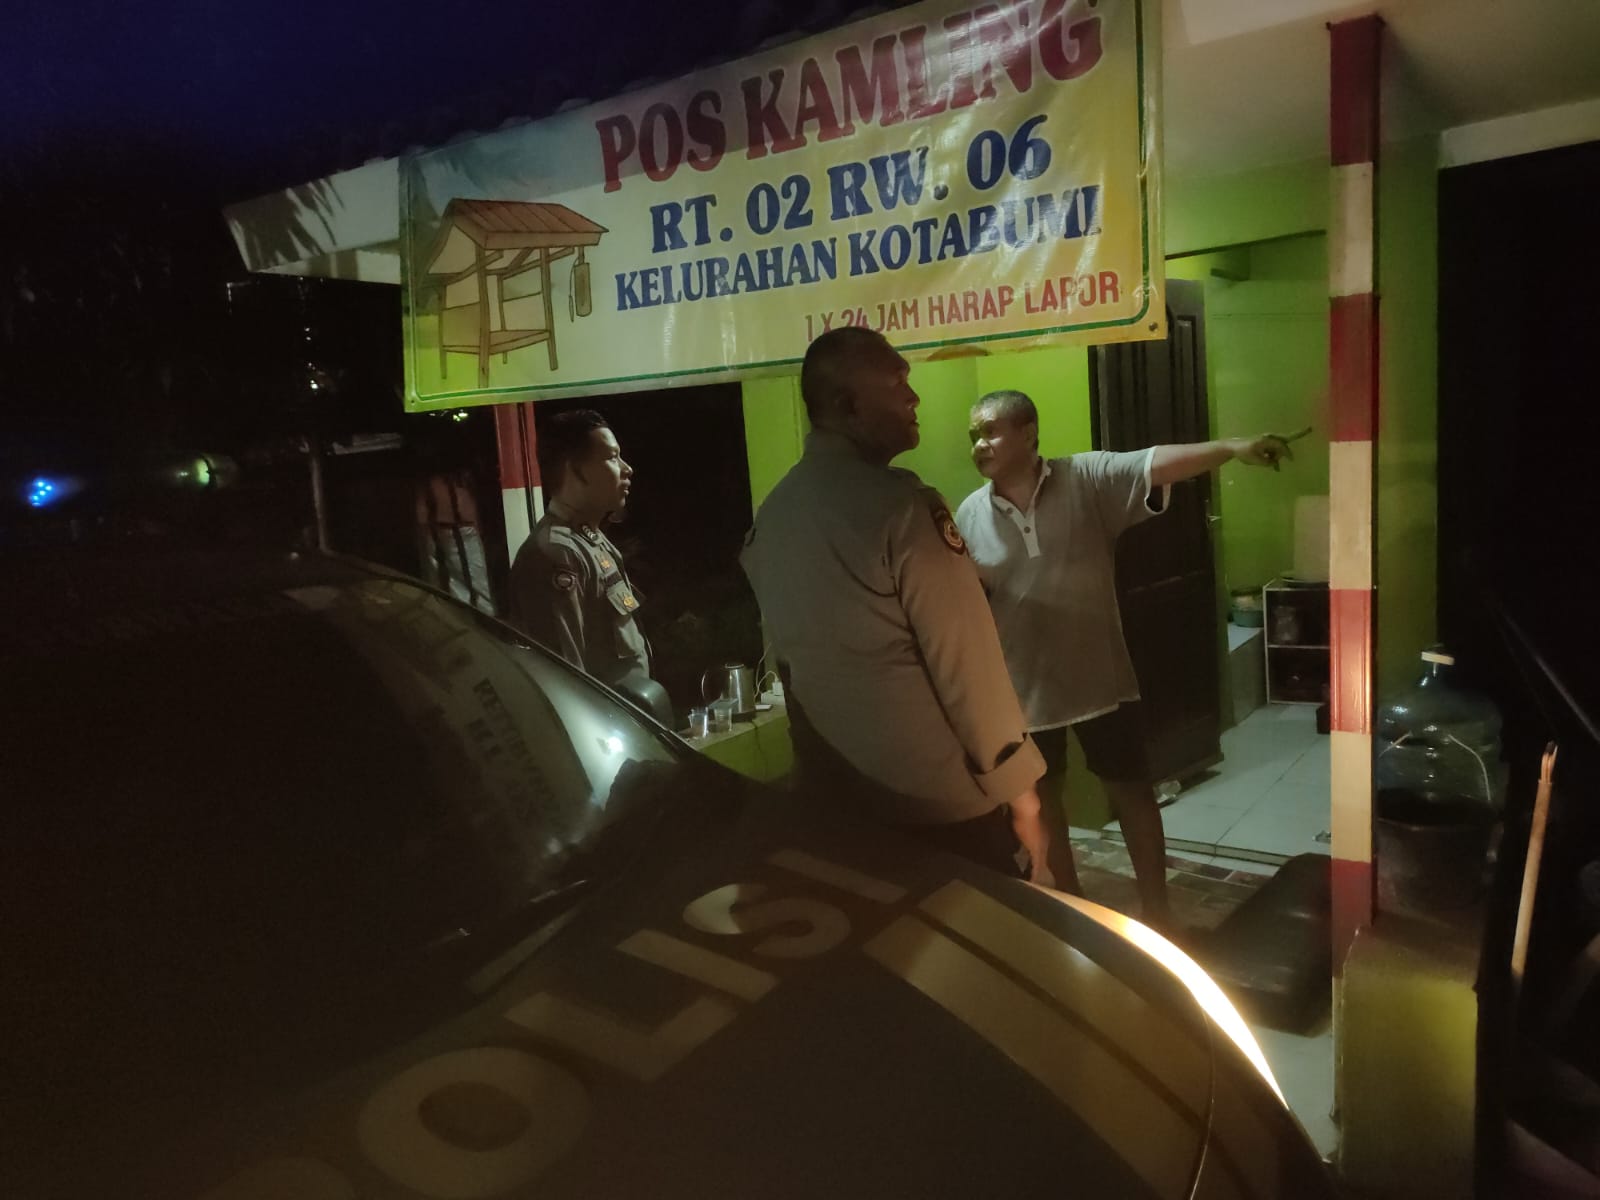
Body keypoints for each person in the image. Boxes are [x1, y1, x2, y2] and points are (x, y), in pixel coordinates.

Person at [956, 388, 1303, 926]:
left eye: (990, 432)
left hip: (1101, 681)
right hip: (1023, 689)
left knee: (1132, 792)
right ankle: (1072, 905)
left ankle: (1158, 913)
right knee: (1042, 800)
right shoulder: (968, 514)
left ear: (1028, 433)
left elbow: (1156, 463)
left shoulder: (1085, 479)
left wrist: (1234, 447)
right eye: (973, 436)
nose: (979, 444)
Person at [740, 328, 1051, 882]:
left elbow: (793, 667)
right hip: (937, 807)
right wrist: (1020, 794)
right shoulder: (902, 510)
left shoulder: (774, 514)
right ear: (848, 405)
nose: (914, 398)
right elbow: (968, 668)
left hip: (836, 803)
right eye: (897, 384)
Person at [509, 409, 672, 725]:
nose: (627, 469)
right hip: (607, 734)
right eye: (611, 457)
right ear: (575, 470)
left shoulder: (592, 542)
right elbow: (565, 681)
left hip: (631, 727)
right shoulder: (555, 555)